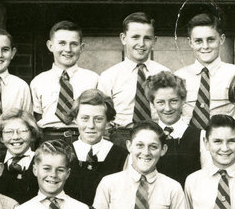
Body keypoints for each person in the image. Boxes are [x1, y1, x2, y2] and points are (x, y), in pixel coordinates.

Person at [97, 12, 170, 147]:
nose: (141, 44)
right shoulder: (109, 76)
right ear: (123, 38)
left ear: (154, 41)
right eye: (135, 37)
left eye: (147, 38)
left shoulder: (165, 74)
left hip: (156, 136)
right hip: (121, 137)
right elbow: (101, 115)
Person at [30, 20, 99, 145]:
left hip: (83, 138)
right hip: (48, 139)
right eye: (62, 43)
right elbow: (37, 117)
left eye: (74, 44)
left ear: (81, 48)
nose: (68, 49)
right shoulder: (38, 81)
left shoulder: (93, 79)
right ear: (50, 46)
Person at [64, 89, 128, 207]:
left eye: (98, 119)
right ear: (75, 119)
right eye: (85, 118)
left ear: (108, 121)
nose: (91, 125)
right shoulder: (63, 152)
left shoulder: (122, 156)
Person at [175, 13, 235, 125]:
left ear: (221, 39)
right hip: (188, 135)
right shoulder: (179, 77)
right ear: (190, 43)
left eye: (210, 40)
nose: (205, 46)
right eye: (198, 41)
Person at [146, 72, 202, 184]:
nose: (167, 108)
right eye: (160, 102)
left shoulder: (200, 136)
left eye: (173, 101)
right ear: (152, 104)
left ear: (183, 100)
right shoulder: (147, 136)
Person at [0, 109, 43, 204]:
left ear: (32, 134)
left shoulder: (42, 161)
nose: (16, 137)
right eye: (8, 132)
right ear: (1, 137)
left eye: (22, 131)